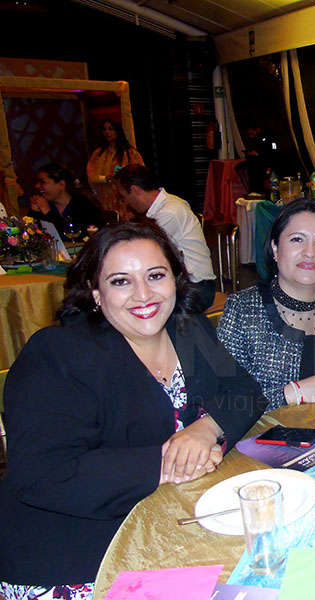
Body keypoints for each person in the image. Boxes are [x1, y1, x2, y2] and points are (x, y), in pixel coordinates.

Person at [0, 218, 266, 599]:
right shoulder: (57, 354)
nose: (143, 295)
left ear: (176, 279)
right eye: (120, 281)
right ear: (95, 293)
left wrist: (205, 429)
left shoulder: (188, 331)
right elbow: (43, 475)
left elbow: (246, 390)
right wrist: (163, 462)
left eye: (156, 276)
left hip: (162, 521)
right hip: (75, 552)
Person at [217, 200, 315, 411]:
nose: (309, 252)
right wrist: (293, 393)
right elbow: (224, 403)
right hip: (268, 437)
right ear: (275, 248)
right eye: (297, 239)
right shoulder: (243, 309)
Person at [114, 165, 217, 312]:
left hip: (196, 288)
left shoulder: (169, 212)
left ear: (135, 190)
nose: (125, 203)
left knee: (134, 306)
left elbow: (146, 254)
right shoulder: (166, 205)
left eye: (124, 197)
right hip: (188, 284)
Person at [27, 163, 105, 235]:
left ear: (61, 184)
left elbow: (72, 234)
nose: (37, 186)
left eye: (42, 182)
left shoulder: (82, 204)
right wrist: (34, 212)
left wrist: (48, 212)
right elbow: (31, 235)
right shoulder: (48, 205)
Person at [86, 118, 144, 214]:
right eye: (104, 129)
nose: (107, 132)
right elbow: (91, 176)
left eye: (111, 129)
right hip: (106, 200)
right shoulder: (98, 154)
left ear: (117, 131)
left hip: (126, 201)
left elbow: (140, 175)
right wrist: (106, 178)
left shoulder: (130, 153)